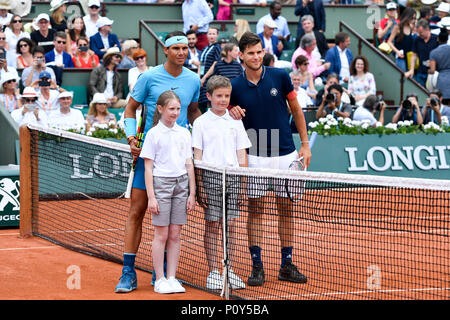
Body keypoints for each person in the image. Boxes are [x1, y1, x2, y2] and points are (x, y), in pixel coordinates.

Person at [114, 31, 201, 293]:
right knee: (137, 211)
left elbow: (194, 112)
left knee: (171, 222)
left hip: (177, 160)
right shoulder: (148, 77)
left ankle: (160, 272)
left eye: (185, 48)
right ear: (166, 49)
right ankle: (128, 272)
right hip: (149, 156)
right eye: (176, 48)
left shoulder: (193, 79)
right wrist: (131, 137)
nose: (181, 52)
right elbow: (130, 109)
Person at [228, 31, 311, 287]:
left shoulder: (280, 76)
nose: (256, 56)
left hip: (285, 153)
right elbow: (221, 113)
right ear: (241, 55)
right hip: (254, 156)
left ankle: (286, 264)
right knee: (256, 211)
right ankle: (257, 266)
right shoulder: (234, 86)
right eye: (251, 53)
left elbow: (296, 110)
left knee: (286, 210)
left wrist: (305, 145)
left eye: (259, 51)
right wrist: (230, 110)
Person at [192, 75, 249, 290]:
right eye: (219, 96)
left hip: (233, 178)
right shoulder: (200, 123)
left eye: (227, 96)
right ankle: (213, 271)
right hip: (211, 178)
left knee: (232, 225)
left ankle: (229, 269)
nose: (223, 100)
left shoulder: (235, 121)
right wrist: (199, 187)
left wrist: (243, 185)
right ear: (209, 97)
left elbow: (241, 153)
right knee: (213, 224)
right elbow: (198, 156)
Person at [139, 90, 195, 294]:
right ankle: (160, 279)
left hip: (182, 185)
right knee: (161, 233)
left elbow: (189, 164)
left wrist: (192, 193)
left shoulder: (184, 133)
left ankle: (172, 277)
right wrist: (151, 197)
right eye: (171, 109)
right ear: (161, 109)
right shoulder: (153, 134)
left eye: (178, 109)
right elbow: (148, 168)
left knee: (175, 234)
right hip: (161, 184)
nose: (175, 112)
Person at [405, 19, 439, 86]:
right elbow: (414, 55)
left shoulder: (436, 39)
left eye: (421, 32)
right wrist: (411, 70)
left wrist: (434, 62)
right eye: (418, 32)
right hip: (421, 71)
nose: (419, 35)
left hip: (434, 72)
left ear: (427, 29)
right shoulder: (417, 40)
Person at [198, 27, 222, 112]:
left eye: (213, 34)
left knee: (208, 100)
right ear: (206, 35)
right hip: (201, 78)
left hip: (209, 78)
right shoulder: (205, 48)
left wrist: (204, 78)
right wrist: (199, 77)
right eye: (210, 33)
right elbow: (200, 63)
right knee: (200, 101)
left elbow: (215, 64)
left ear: (217, 35)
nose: (211, 36)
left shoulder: (217, 47)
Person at [387, 7, 417, 72]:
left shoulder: (411, 27)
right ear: (407, 16)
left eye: (414, 18)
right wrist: (397, 51)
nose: (413, 20)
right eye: (412, 18)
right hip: (400, 56)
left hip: (409, 56)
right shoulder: (397, 27)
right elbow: (389, 42)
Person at [429, 28, 450, 101]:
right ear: (447, 39)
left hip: (442, 80)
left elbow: (432, 70)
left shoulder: (434, 53)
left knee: (442, 104)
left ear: (438, 39)